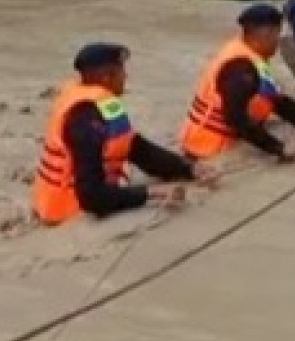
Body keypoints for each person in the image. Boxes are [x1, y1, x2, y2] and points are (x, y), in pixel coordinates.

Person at [33, 43, 219, 225]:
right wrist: (151, 193)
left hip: (93, 197)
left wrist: (189, 169)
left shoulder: (103, 104)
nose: (126, 76)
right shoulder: (85, 119)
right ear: (106, 76)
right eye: (121, 70)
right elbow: (91, 197)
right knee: (170, 218)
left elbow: (136, 149)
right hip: (70, 213)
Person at [180, 4, 295, 162]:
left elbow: (274, 100)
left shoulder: (246, 51)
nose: (278, 41)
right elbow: (236, 118)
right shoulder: (241, 69)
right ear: (266, 33)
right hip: (212, 149)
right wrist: (278, 148)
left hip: (211, 139)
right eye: (277, 34)